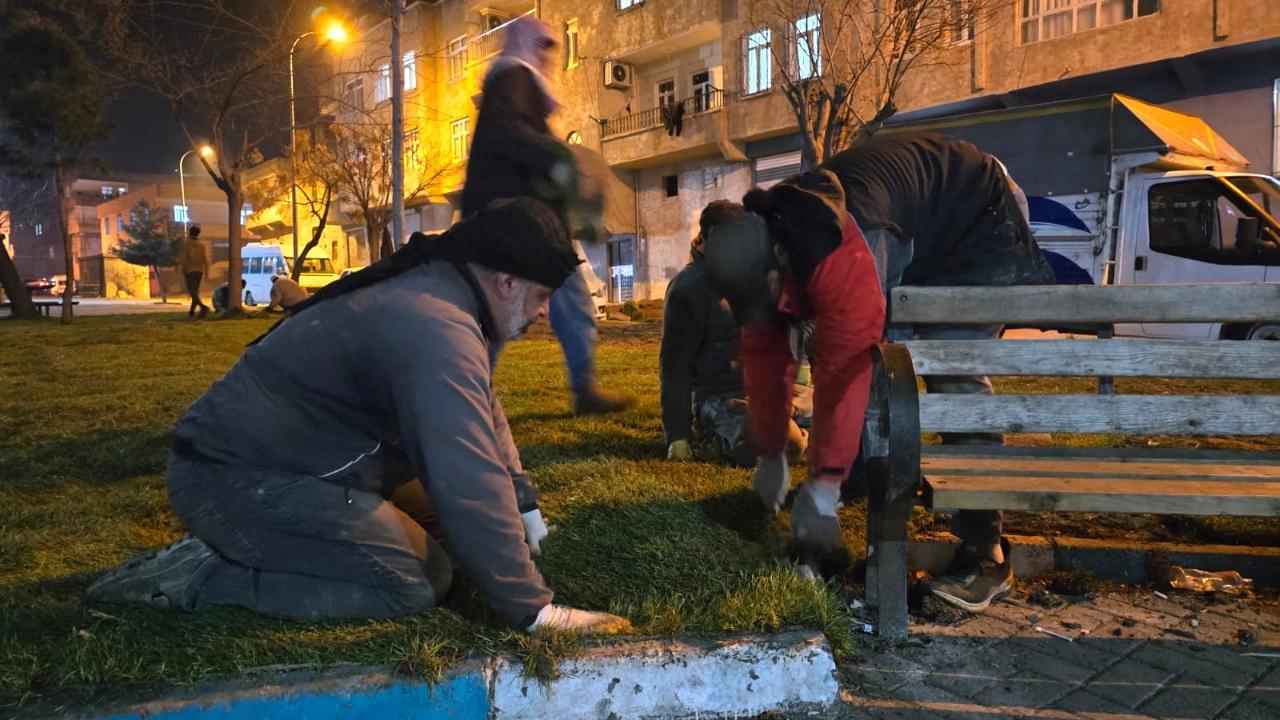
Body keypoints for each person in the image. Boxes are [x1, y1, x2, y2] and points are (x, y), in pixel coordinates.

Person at [86, 198, 632, 635]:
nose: (542, 313)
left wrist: (526, 508)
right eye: (541, 297)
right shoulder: (435, 326)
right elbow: (464, 474)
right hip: (232, 477)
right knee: (416, 582)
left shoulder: (448, 296)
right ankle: (198, 576)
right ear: (506, 281)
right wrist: (534, 611)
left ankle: (271, 542)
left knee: (460, 545)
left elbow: (485, 414)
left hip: (311, 464)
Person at [705, 132, 1055, 612]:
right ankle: (865, 520)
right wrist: (771, 456)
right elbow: (768, 360)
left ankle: (986, 553)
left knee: (951, 375)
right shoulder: (759, 253)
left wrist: (821, 489)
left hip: (975, 209)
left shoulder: (845, 250)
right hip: (912, 224)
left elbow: (846, 374)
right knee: (878, 376)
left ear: (778, 261)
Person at [462, 16, 633, 416]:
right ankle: (469, 392)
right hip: (513, 221)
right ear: (526, 45)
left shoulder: (522, 86)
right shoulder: (512, 78)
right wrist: (557, 155)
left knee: (568, 301)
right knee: (501, 309)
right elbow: (506, 136)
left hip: (535, 221)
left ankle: (583, 388)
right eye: (544, 46)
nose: (549, 57)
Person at [661, 201, 809, 467]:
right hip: (722, 399)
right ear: (704, 239)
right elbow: (674, 366)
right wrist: (678, 437)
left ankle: (794, 418)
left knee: (846, 405)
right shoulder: (688, 289)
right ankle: (799, 431)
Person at [179, 225, 210, 318]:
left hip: (190, 271)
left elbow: (184, 258)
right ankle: (191, 312)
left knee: (192, 292)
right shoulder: (201, 245)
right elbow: (205, 260)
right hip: (199, 271)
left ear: (189, 232)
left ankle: (203, 307)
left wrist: (182, 269)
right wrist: (207, 272)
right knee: (195, 292)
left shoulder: (186, 244)